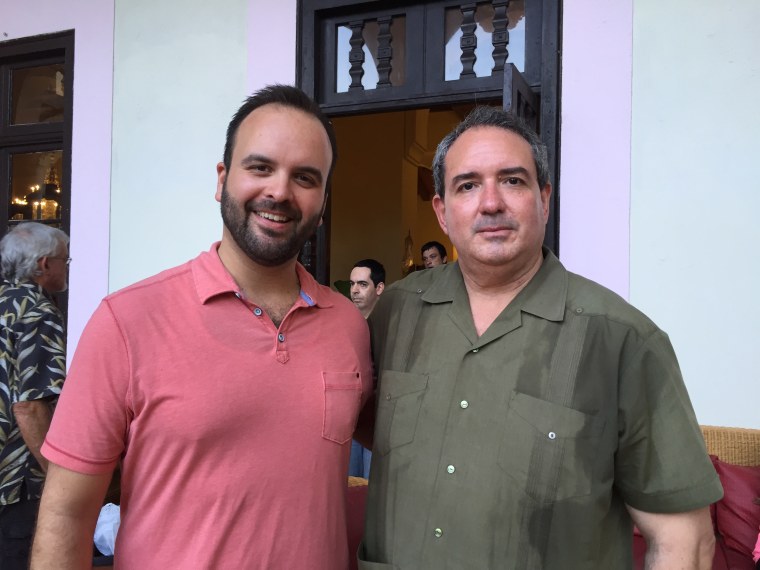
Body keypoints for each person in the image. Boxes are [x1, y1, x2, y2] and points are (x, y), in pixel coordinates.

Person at [357, 106, 722, 569]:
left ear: (544, 199)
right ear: (442, 211)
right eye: (467, 185)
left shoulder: (623, 339)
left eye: (512, 180)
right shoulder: (394, 313)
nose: (491, 203)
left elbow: (683, 541)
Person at [31, 85, 373, 569]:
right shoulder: (126, 322)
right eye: (260, 167)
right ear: (222, 179)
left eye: (305, 177)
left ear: (322, 199)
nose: (279, 191)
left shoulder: (348, 327)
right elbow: (67, 515)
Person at [0, 222, 68, 570]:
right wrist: (59, 481)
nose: (66, 267)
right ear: (43, 265)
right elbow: (29, 405)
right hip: (16, 484)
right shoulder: (38, 312)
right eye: (64, 261)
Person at [347, 259, 385, 479]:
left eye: (362, 284)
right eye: (352, 284)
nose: (354, 290)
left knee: (373, 484)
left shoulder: (392, 323)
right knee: (350, 484)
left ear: (379, 288)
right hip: (350, 417)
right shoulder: (342, 323)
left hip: (380, 420)